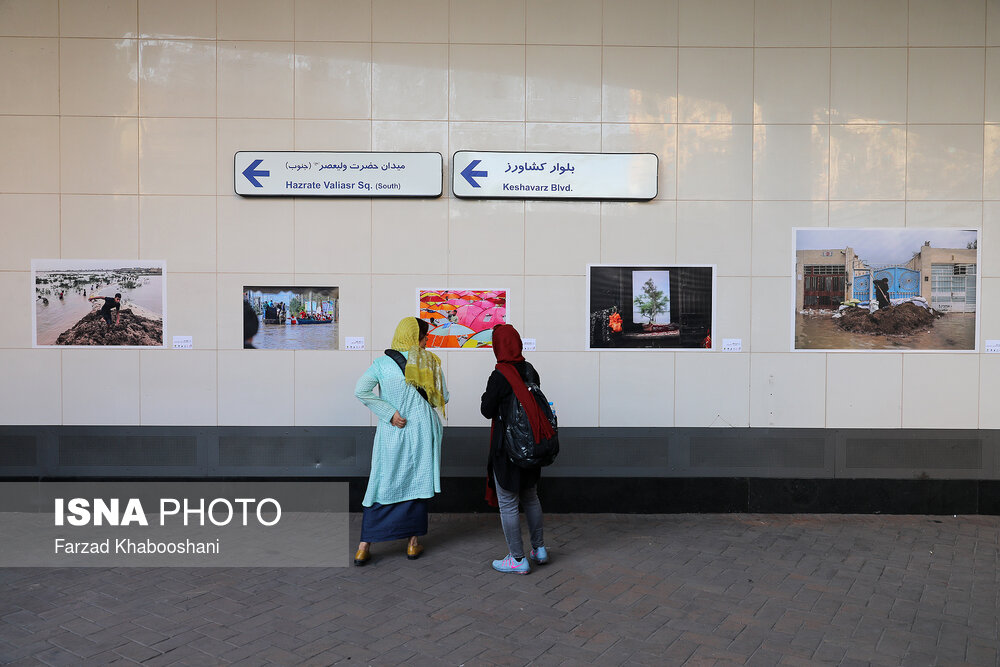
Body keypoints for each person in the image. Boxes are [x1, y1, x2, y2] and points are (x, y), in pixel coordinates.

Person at [353, 317, 448, 565]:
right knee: (416, 480)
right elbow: (442, 398)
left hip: (393, 430)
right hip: (422, 431)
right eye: (425, 336)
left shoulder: (382, 364)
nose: (427, 341)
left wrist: (389, 413)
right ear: (416, 338)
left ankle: (364, 546)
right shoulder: (429, 362)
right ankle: (412, 544)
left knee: (383, 479)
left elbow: (360, 390)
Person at [481, 324, 549, 575]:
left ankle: (517, 558)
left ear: (498, 346)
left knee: (508, 502)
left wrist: (486, 397)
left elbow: (487, 410)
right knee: (531, 496)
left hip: (507, 449)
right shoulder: (531, 370)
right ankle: (539, 550)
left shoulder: (499, 374)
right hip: (532, 445)